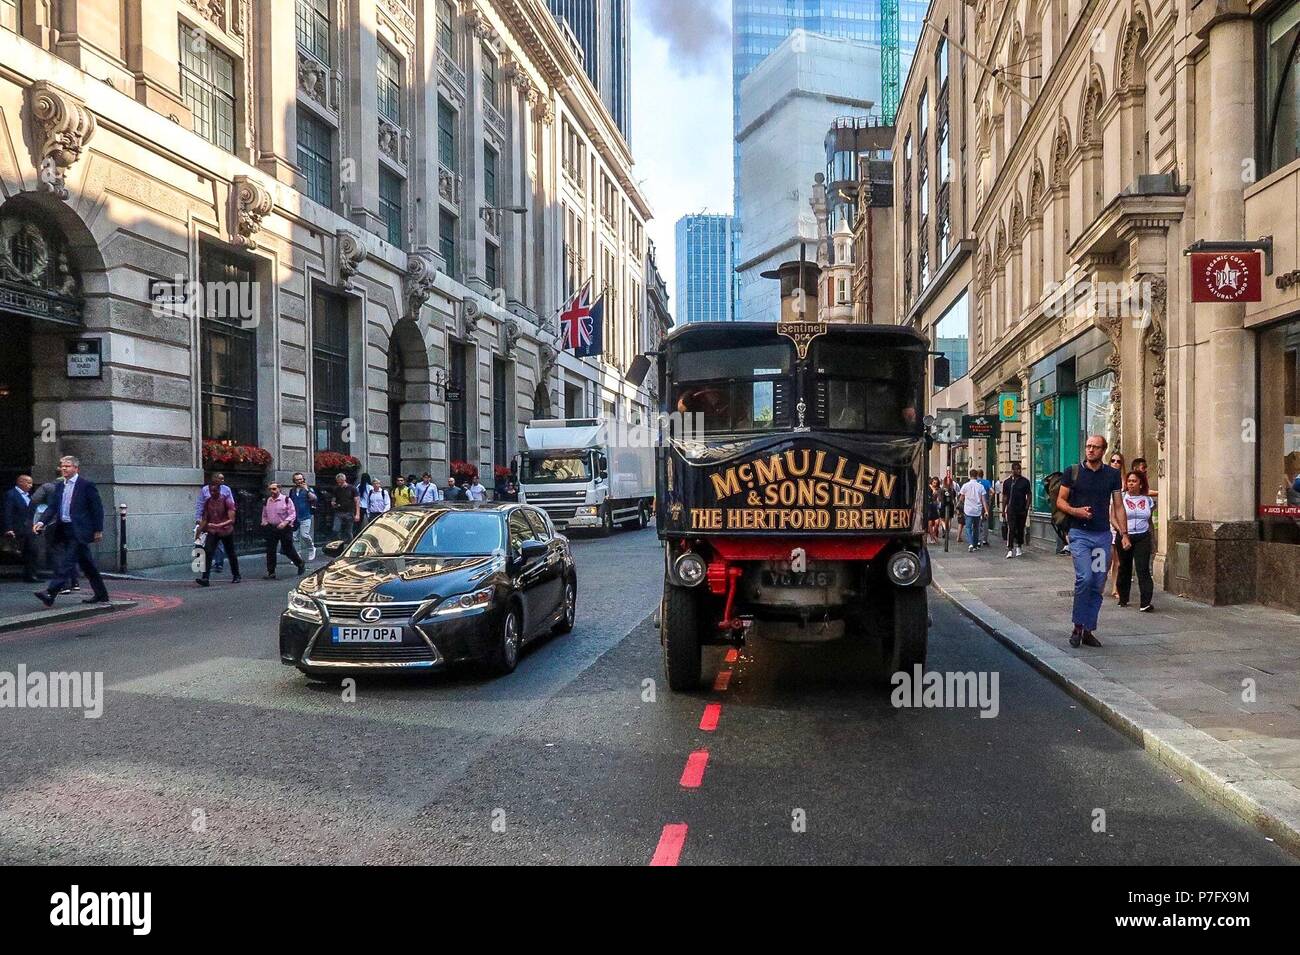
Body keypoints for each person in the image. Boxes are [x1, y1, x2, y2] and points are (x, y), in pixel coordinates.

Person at [1057, 435, 1126, 649]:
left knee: (1097, 583)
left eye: (1095, 447)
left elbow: (1118, 505)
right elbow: (1061, 500)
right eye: (1088, 446)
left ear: (1103, 450)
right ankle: (1078, 626)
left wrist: (1124, 533)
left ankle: (1088, 629)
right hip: (1080, 535)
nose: (1090, 450)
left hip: (1101, 536)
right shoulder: (1073, 472)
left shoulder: (1112, 475)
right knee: (1085, 578)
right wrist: (1075, 511)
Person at [33, 456, 110, 607]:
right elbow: (53, 507)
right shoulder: (61, 486)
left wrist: (98, 529)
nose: (64, 468)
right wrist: (41, 522)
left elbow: (97, 508)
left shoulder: (86, 485)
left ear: (76, 468)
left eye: (67, 466)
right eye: (62, 466)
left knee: (67, 561)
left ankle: (50, 592)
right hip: (65, 529)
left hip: (80, 530)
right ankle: (102, 594)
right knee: (88, 565)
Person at [1117, 470, 1156, 612]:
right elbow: (1114, 517)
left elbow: (1150, 519)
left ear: (1141, 484)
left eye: (1134, 481)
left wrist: (1152, 537)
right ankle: (1123, 597)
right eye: (1129, 481)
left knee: (1142, 568)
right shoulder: (1121, 499)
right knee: (1125, 568)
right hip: (1124, 535)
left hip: (1142, 536)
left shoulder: (1148, 500)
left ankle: (1145, 602)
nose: (1131, 484)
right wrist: (1123, 534)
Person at [195, 477, 240, 586]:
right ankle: (205, 578)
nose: (212, 493)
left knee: (231, 553)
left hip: (226, 531)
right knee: (208, 551)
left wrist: (219, 525)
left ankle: (236, 575)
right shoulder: (208, 502)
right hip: (213, 531)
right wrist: (199, 531)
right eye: (211, 491)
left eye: (215, 490)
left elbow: (232, 519)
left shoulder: (226, 500)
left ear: (219, 490)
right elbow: (205, 518)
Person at [261, 481, 305, 580]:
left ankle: (300, 563)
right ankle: (271, 572)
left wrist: (285, 522)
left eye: (274, 489)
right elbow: (264, 514)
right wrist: (264, 521)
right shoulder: (267, 500)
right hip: (272, 527)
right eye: (270, 489)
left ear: (279, 489)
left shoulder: (286, 499)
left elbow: (292, 514)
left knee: (287, 548)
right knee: (270, 550)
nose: (272, 491)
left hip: (284, 528)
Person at [4, 475, 39, 582]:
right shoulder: (11, 495)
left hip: (29, 527)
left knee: (32, 550)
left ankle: (31, 574)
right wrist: (9, 528)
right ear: (20, 482)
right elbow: (7, 512)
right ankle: (29, 574)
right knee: (22, 551)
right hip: (17, 527)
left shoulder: (28, 496)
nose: (30, 485)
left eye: (31, 483)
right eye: (28, 483)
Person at [1106, 452, 1126, 598]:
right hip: (1106, 523)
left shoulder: (1125, 483)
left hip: (1120, 523)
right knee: (1107, 559)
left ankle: (1115, 588)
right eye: (1113, 461)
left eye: (1118, 461)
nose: (1115, 463)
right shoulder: (1104, 480)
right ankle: (1099, 583)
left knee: (1117, 561)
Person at [1002, 461, 1032, 559]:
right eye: (1017, 469)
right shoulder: (1007, 482)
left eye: (1020, 469)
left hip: (1022, 508)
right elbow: (1005, 497)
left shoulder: (1025, 481)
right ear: (1012, 470)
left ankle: (1019, 546)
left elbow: (1029, 495)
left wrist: (1027, 507)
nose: (1019, 471)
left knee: (1020, 528)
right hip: (1011, 509)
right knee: (1011, 528)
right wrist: (1003, 509)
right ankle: (1010, 549)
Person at [288, 472, 318, 562]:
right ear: (294, 481)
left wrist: (306, 490)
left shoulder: (308, 489)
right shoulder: (292, 490)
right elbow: (290, 502)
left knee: (304, 535)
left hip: (305, 515)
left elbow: (314, 498)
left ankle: (311, 548)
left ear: (303, 479)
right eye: (297, 480)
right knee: (294, 537)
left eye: (300, 479)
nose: (299, 481)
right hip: (295, 517)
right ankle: (297, 556)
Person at [958, 471, 989, 552]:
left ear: (970, 475)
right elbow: (984, 500)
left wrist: (958, 505)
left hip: (968, 510)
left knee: (968, 527)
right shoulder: (980, 486)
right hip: (977, 510)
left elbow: (961, 498)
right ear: (977, 476)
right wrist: (986, 511)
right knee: (976, 528)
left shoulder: (965, 485)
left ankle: (971, 543)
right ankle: (975, 545)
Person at [1044, 470, 1070, 555]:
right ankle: (1068, 546)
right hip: (1064, 512)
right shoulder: (1058, 485)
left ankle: (1069, 546)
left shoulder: (1053, 487)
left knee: (1065, 529)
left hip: (1060, 513)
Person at [329, 473, 360, 539]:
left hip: (349, 512)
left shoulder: (352, 488)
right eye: (338, 482)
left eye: (340, 482)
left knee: (348, 531)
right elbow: (334, 499)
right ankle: (339, 543)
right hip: (339, 511)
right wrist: (333, 503)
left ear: (344, 480)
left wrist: (357, 514)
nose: (339, 483)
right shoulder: (337, 489)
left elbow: (357, 501)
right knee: (336, 529)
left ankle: (350, 544)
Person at [926, 477, 944, 544]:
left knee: (937, 522)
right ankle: (933, 538)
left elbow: (938, 497)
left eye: (936, 483)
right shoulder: (928, 488)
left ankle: (934, 536)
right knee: (930, 523)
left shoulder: (938, 489)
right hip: (929, 506)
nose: (935, 484)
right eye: (934, 483)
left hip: (935, 506)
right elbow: (932, 495)